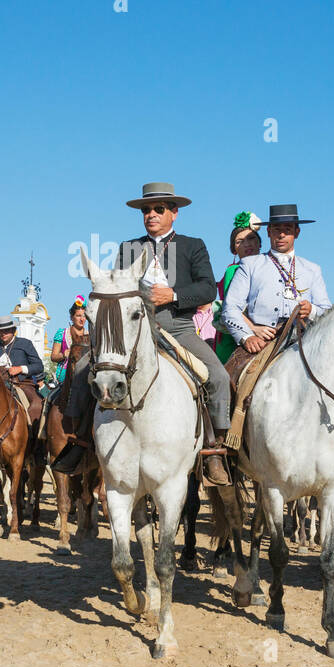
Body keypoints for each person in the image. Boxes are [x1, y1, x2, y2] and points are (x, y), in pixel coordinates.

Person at [53, 181, 233, 485]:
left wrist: (173, 295)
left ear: (174, 213)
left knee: (217, 375)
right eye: (146, 210)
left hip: (178, 328)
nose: (151, 214)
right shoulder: (128, 248)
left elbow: (206, 288)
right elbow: (115, 288)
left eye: (158, 209)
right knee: (83, 366)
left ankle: (214, 450)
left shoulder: (193, 245)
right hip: (133, 331)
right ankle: (82, 443)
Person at [221, 204, 331, 353]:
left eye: (287, 230)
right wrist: (247, 336)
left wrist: (311, 310)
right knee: (228, 376)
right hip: (259, 344)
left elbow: (328, 312)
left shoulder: (312, 269)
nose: (281, 235)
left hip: (302, 343)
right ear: (268, 232)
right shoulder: (249, 264)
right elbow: (230, 308)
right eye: (277, 230)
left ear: (297, 232)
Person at [213, 212, 262, 362]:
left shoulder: (271, 269)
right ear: (234, 249)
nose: (247, 244)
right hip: (234, 337)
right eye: (239, 241)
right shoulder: (233, 271)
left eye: (251, 238)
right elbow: (231, 308)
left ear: (260, 243)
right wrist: (253, 329)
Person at [50, 297, 89, 384]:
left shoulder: (90, 336)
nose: (82, 319)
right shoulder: (62, 333)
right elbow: (53, 357)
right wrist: (64, 354)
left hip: (85, 374)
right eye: (78, 316)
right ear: (72, 317)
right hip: (65, 376)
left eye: (84, 316)